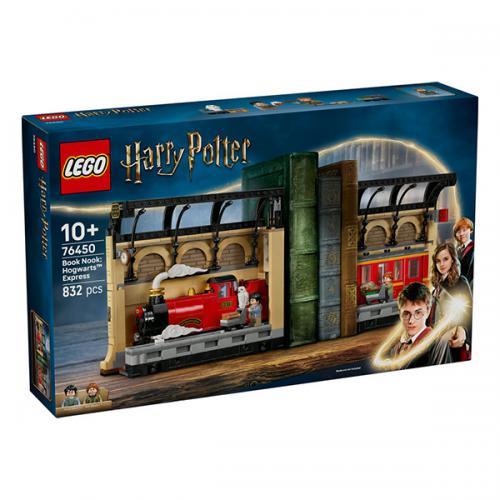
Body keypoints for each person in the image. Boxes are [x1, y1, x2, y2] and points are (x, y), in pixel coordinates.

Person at [389, 282, 451, 368]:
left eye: (418, 313)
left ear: (428, 311)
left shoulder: (437, 344)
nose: (411, 321)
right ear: (400, 314)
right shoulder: (395, 347)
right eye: (406, 314)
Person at [429, 241, 472, 361]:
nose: (441, 264)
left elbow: (469, 312)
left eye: (445, 259)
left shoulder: (460, 282)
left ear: (452, 260)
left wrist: (464, 331)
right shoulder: (436, 287)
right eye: (438, 261)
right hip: (436, 338)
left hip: (453, 339)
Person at [453, 216, 474, 290]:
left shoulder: (474, 249)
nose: (461, 234)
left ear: (470, 230)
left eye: (464, 230)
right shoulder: (456, 250)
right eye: (458, 232)